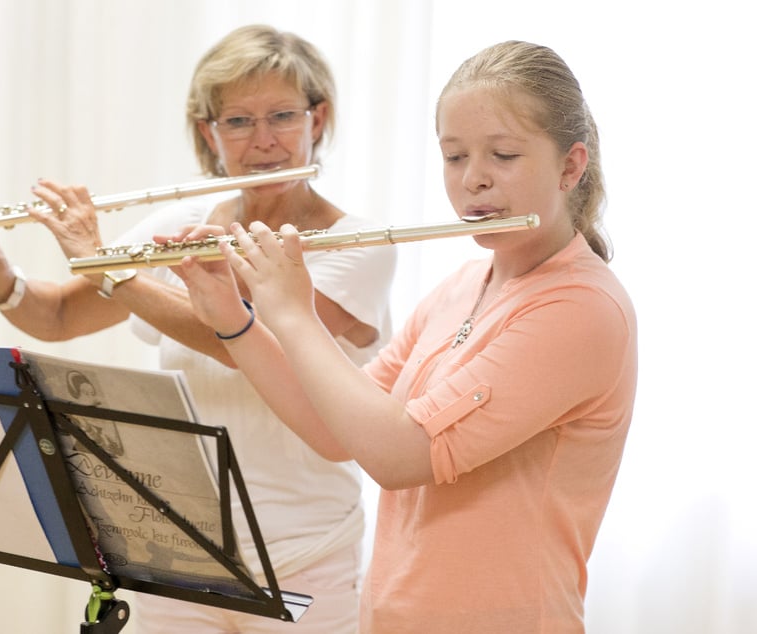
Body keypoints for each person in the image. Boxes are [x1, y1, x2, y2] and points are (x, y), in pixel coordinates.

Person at [0, 25, 396, 634]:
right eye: (237, 121)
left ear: (318, 119)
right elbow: (60, 316)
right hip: (182, 551)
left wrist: (109, 269)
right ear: (209, 132)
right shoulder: (181, 222)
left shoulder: (356, 245)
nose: (264, 142)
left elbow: (249, 347)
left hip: (305, 557)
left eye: (282, 115)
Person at [175, 40, 638, 633]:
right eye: (454, 157)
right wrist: (232, 319)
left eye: (502, 155)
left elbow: (400, 455)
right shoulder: (462, 285)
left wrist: (292, 313)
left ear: (571, 167)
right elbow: (334, 429)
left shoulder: (580, 310)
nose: (473, 180)